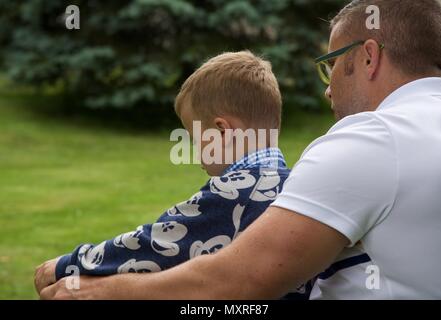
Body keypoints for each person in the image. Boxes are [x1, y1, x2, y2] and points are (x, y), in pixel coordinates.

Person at [39, 0, 441, 299]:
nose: (327, 87)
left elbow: (243, 280)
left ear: (368, 57)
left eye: (331, 64)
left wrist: (99, 290)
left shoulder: (370, 140)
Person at [35, 51, 311, 299]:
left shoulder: (237, 191)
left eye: (195, 138)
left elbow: (154, 245)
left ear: (222, 131)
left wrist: (69, 263)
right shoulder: (298, 185)